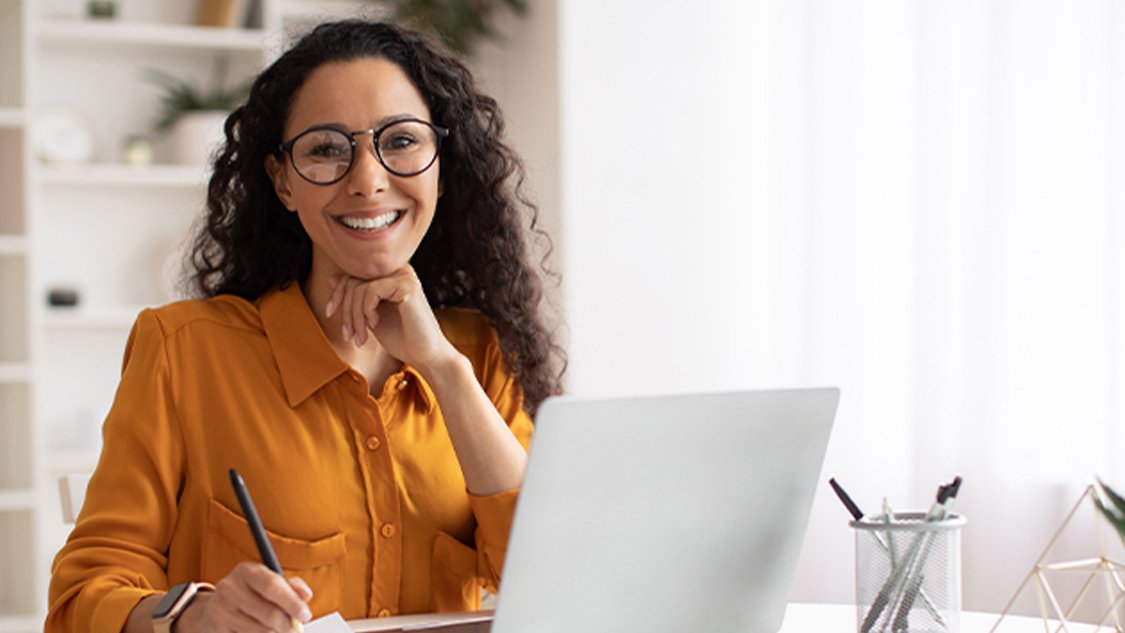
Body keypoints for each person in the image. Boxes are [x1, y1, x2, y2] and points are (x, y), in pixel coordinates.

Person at [46, 19, 564, 633]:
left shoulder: (477, 356)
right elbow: (81, 595)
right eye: (326, 149)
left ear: (441, 170)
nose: (368, 179)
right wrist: (196, 614)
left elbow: (554, 581)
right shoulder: (184, 351)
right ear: (283, 180)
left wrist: (444, 370)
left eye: (400, 141)